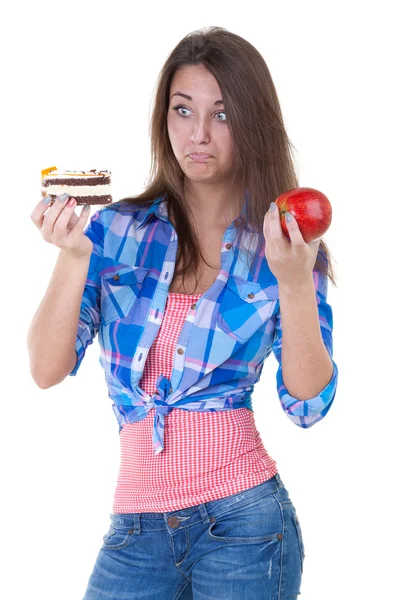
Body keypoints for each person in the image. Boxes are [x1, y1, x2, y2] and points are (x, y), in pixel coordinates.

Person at [28, 26, 338, 600]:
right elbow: (46, 370)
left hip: (246, 527)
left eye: (222, 115)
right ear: (163, 118)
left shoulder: (282, 244)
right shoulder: (115, 231)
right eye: (182, 110)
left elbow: (308, 404)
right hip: (135, 530)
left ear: (253, 123)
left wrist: (295, 285)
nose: (198, 134)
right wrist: (74, 259)